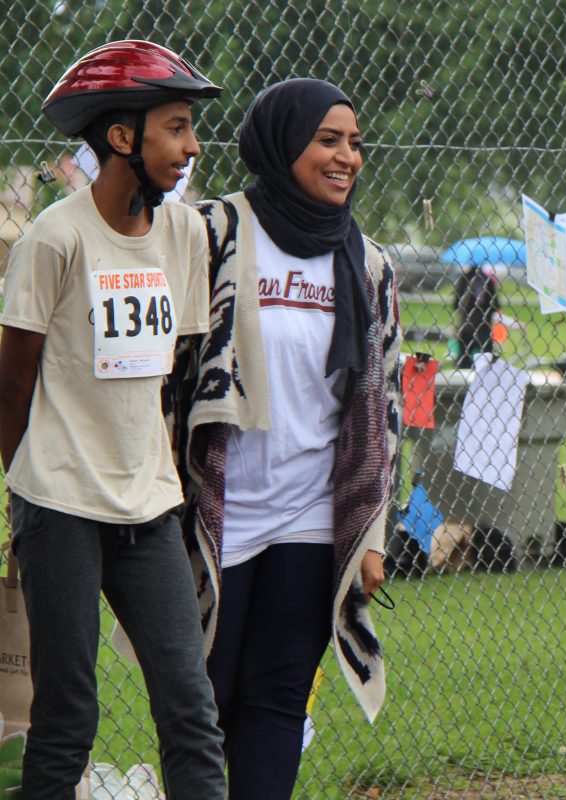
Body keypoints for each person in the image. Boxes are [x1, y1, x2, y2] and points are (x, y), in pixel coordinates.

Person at [0, 40, 226, 797]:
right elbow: (11, 383)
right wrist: (26, 498)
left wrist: (159, 472)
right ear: (121, 136)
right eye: (177, 126)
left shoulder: (184, 234)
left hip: (150, 507)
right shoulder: (53, 239)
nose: (192, 146)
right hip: (60, 506)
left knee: (192, 709)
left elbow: (167, 377)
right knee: (67, 717)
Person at [166, 78, 401, 799]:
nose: (348, 157)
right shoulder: (211, 234)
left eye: (355, 143)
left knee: (276, 699)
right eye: (328, 140)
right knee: (205, 701)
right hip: (219, 508)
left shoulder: (367, 262)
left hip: (309, 513)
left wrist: (372, 536)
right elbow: (166, 375)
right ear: (280, 143)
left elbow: (381, 403)